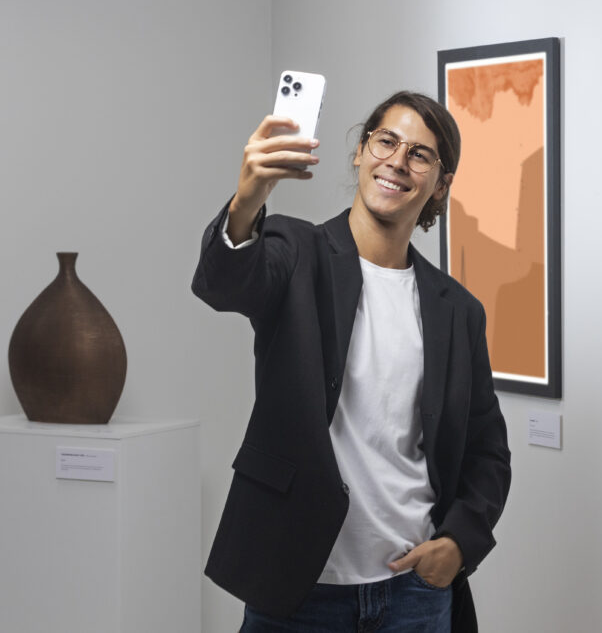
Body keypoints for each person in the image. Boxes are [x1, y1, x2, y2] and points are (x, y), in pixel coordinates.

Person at [192, 90, 512, 632]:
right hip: (298, 590)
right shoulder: (296, 253)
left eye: (420, 154)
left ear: (441, 184)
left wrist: (457, 544)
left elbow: (488, 453)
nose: (398, 161)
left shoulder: (458, 311)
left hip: (412, 595)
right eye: (386, 141)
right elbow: (223, 283)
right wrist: (248, 197)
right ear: (361, 152)